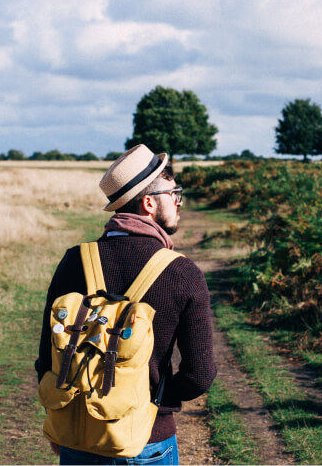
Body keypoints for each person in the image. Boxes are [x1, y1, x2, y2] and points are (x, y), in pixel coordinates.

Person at [35, 144, 217, 465]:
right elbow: (199, 375)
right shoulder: (181, 272)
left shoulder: (74, 261)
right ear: (149, 203)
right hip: (147, 442)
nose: (179, 201)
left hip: (78, 436)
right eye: (174, 193)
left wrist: (64, 419)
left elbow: (47, 359)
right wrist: (154, 400)